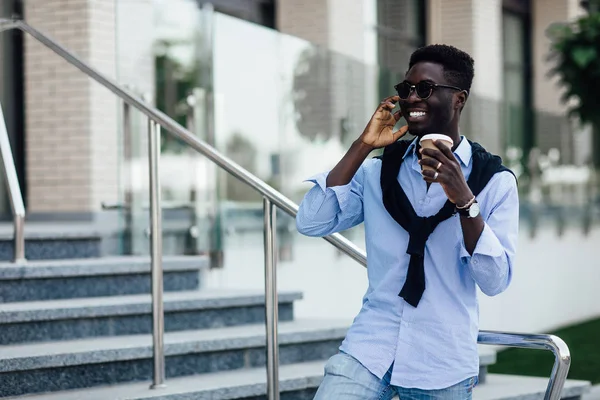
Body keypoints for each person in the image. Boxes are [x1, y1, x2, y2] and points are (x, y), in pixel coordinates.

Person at [296, 44, 519, 400]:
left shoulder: (494, 181)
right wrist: (363, 145)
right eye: (406, 89)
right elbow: (311, 221)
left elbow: (495, 280)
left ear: (459, 99)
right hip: (371, 345)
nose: (411, 98)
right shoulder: (379, 171)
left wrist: (464, 199)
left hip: (441, 358)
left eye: (425, 89)